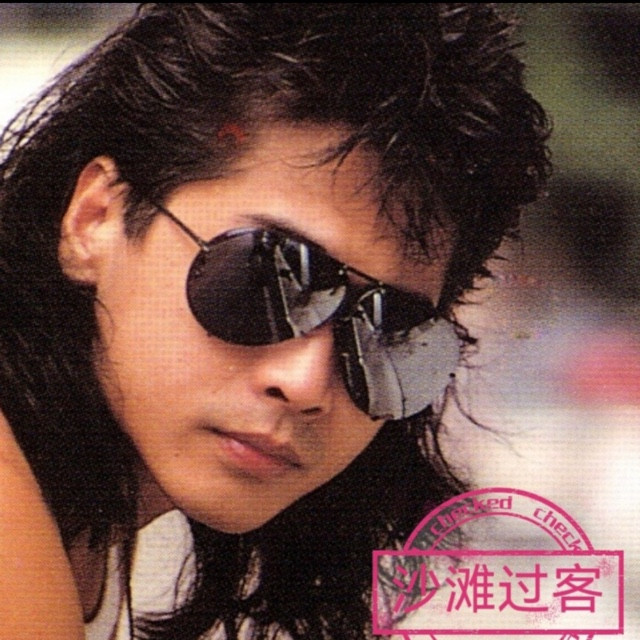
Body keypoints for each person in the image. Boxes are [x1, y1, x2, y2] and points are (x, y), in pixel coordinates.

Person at [0, 4, 549, 639]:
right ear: (95, 219)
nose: (307, 383)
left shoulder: (83, 530)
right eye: (265, 278)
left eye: (392, 334)